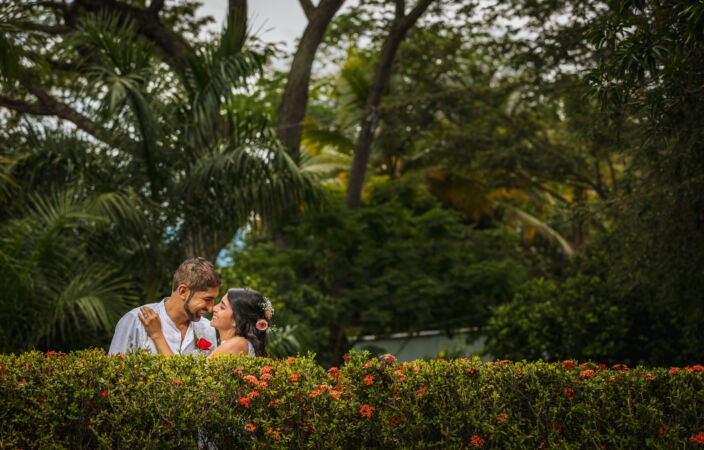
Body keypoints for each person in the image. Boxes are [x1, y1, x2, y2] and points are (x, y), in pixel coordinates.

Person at [108, 257, 220, 355]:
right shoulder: (135, 321)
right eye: (207, 299)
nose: (211, 308)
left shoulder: (207, 328)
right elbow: (114, 374)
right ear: (183, 292)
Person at [138, 287, 272, 358]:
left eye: (222, 307)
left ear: (238, 320)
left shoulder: (237, 344)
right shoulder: (234, 344)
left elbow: (184, 383)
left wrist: (157, 335)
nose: (214, 308)